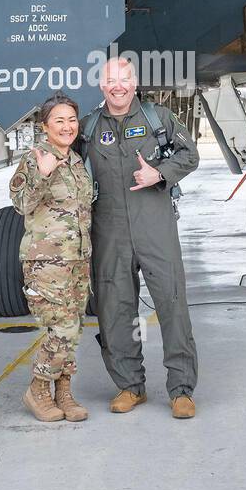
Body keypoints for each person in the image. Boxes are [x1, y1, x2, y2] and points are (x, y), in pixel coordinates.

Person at [81, 57, 201, 419]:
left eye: (124, 79)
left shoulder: (157, 118)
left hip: (155, 227)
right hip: (109, 231)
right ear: (101, 85)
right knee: (115, 310)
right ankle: (129, 386)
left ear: (134, 83)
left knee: (172, 303)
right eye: (110, 80)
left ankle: (181, 390)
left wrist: (160, 174)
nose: (118, 86)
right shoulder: (87, 128)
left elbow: (190, 155)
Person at [9, 93, 94, 423]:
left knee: (74, 329)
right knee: (62, 328)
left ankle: (64, 393)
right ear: (45, 126)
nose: (67, 126)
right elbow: (21, 204)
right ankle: (39, 389)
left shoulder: (75, 162)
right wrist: (43, 175)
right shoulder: (35, 159)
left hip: (76, 261)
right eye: (59, 120)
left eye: (72, 120)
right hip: (46, 262)